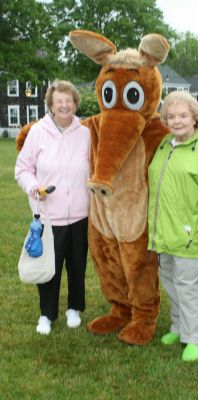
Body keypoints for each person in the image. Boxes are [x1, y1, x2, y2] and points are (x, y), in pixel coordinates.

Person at [148, 91, 198, 361]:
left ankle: (195, 337)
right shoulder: (165, 143)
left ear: (195, 118)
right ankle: (178, 326)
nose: (177, 120)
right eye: (171, 116)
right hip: (163, 231)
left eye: (183, 115)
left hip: (189, 232)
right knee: (171, 283)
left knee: (188, 287)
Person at [15, 80, 90, 335]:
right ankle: (46, 314)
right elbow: (22, 169)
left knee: (78, 265)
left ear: (75, 103)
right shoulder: (38, 132)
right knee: (50, 268)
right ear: (51, 105)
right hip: (49, 216)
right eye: (59, 101)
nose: (64, 105)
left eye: (69, 100)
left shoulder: (86, 132)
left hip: (81, 215)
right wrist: (34, 186)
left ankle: (74, 308)